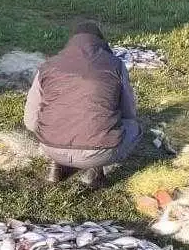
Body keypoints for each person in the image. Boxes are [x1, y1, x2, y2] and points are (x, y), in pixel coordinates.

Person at [24, 21, 143, 188]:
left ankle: (55, 166)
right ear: (100, 42)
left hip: (50, 147)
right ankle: (93, 172)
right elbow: (128, 112)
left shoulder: (47, 66)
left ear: (71, 42)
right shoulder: (115, 64)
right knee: (134, 127)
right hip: (100, 152)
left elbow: (30, 120)